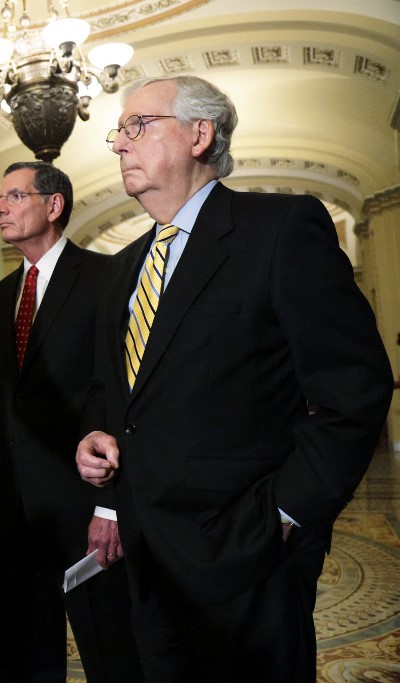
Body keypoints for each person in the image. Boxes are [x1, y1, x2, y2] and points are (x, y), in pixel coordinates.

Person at [75, 75, 393, 681]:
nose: (118, 144)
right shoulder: (121, 270)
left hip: (247, 561)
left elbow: (353, 388)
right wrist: (95, 440)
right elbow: (110, 393)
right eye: (119, 131)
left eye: (137, 125)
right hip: (145, 555)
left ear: (200, 134)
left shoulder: (280, 229)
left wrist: (286, 518)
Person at [0, 161, 142, 682]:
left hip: (85, 508)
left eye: (14, 196)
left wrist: (110, 502)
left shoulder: (107, 278)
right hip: (8, 514)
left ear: (53, 205)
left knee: (111, 649)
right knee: (19, 654)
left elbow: (119, 391)